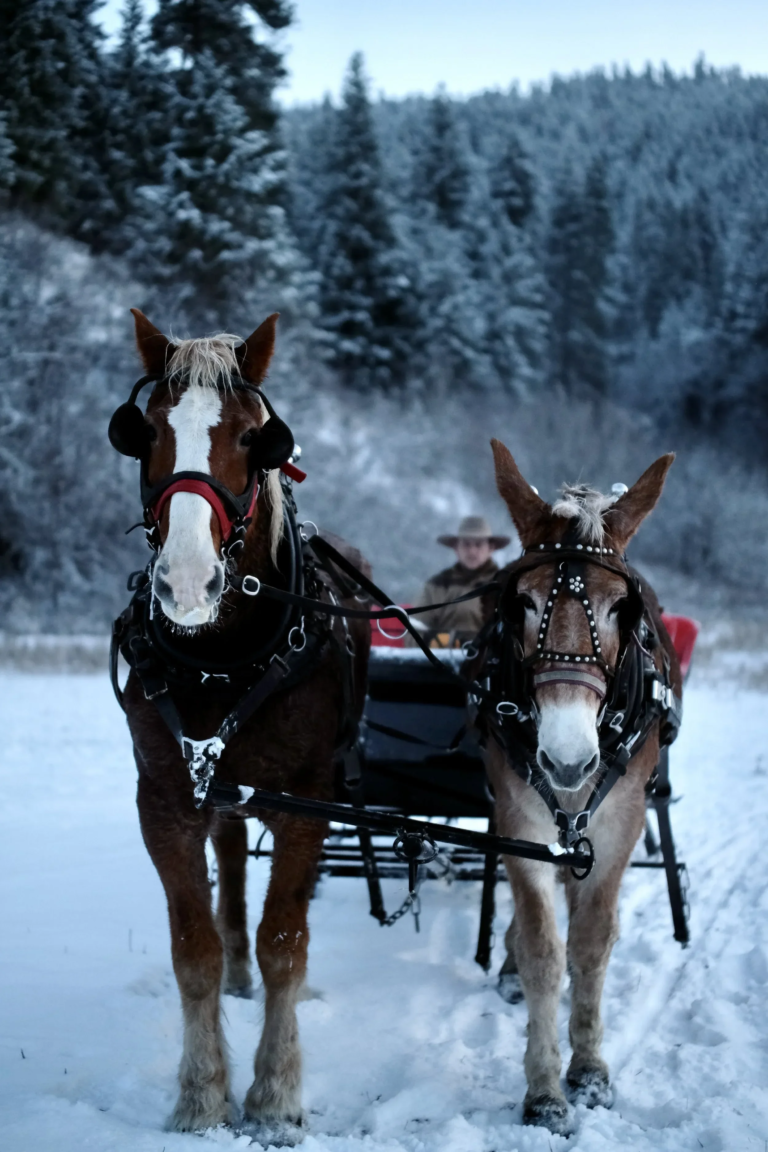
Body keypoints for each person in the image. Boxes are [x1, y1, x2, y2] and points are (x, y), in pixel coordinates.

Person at [408, 515, 511, 647]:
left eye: (478, 545)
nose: (472, 551)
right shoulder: (436, 586)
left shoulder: (505, 586)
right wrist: (438, 643)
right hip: (440, 658)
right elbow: (413, 632)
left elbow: (518, 634)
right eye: (466, 544)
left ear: (491, 548)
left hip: (491, 658)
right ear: (456, 548)